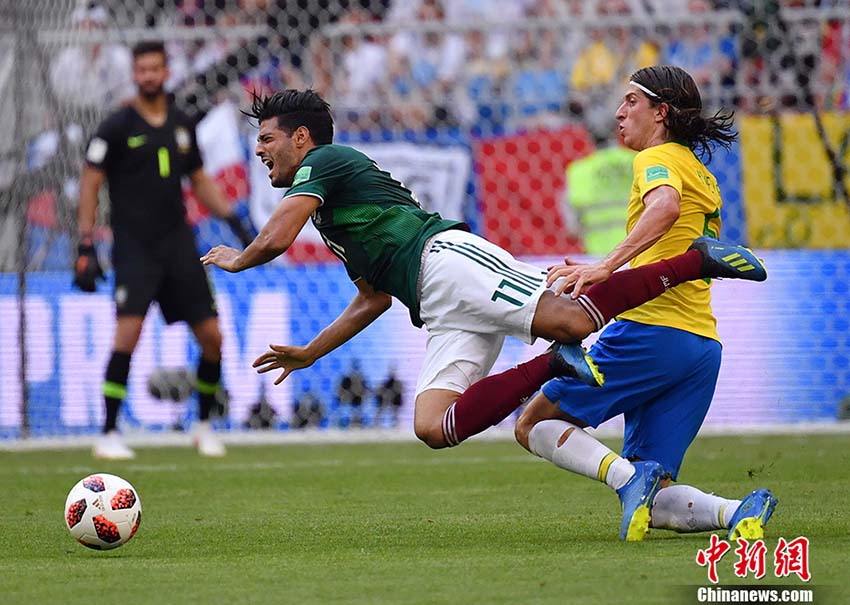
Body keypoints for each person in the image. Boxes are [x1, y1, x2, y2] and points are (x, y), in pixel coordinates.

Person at [200, 88, 765, 464]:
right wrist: (310, 352)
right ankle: (549, 365)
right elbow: (370, 302)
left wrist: (238, 258)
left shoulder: (325, 162)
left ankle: (696, 259)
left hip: (446, 261)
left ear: (302, 139)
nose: (258, 150)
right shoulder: (332, 215)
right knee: (433, 427)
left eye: (267, 139)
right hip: (437, 307)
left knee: (568, 319)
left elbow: (273, 240)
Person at [514, 65, 777, 542]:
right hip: (700, 347)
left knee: (533, 423)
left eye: (631, 102)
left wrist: (605, 268)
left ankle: (627, 479)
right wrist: (602, 263)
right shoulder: (699, 171)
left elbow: (665, 208)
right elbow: (673, 234)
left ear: (661, 113)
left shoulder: (657, 159)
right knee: (653, 497)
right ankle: (737, 512)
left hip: (651, 330)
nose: (619, 112)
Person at [75, 41, 254, 459]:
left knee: (212, 337)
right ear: (135, 74)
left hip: (178, 244)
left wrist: (234, 219)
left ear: (166, 70)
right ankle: (109, 433)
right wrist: (85, 241)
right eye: (142, 70)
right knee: (128, 334)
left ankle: (204, 425)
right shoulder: (116, 126)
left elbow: (200, 180)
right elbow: (90, 181)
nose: (149, 76)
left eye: (155, 68)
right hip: (134, 248)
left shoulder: (181, 123)